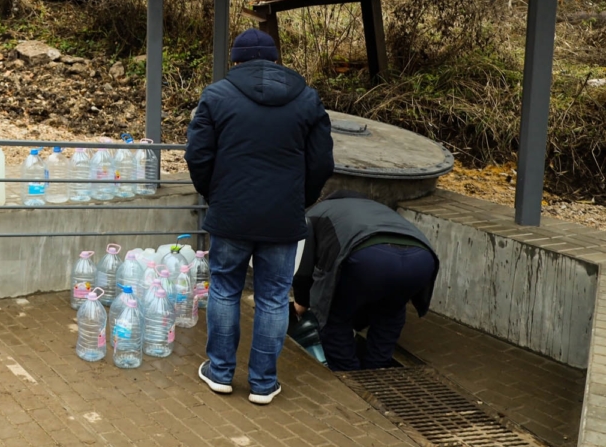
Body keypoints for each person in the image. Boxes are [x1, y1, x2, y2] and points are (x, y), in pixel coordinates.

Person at [184, 28, 334, 405]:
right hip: (282, 218)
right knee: (271, 297)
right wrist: (301, 199)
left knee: (224, 289)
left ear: (236, 61)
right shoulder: (307, 100)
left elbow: (197, 156)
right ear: (275, 59)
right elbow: (322, 163)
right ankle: (264, 384)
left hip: (231, 214)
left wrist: (214, 195)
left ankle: (220, 373)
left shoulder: (217, 96)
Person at [292, 191, 440, 371]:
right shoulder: (378, 208)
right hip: (422, 260)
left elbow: (305, 267)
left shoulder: (317, 212)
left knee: (334, 313)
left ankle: (348, 372)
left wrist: (302, 301)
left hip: (368, 258)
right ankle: (377, 370)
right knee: (391, 313)